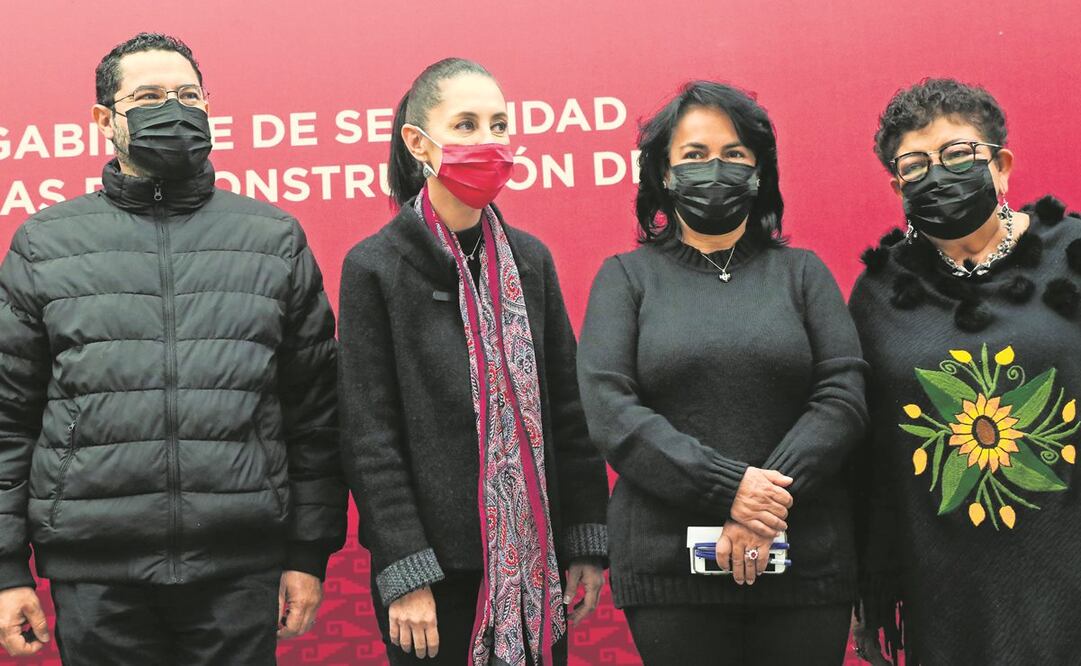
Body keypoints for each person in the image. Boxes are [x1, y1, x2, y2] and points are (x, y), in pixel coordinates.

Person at [0, 33, 346, 664]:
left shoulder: (273, 240)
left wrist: (306, 553)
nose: (174, 109)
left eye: (188, 95)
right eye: (151, 96)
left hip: (238, 569)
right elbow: (8, 421)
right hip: (97, 572)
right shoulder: (43, 245)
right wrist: (6, 570)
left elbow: (315, 415)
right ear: (105, 119)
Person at [576, 81, 868, 665]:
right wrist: (729, 488)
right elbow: (612, 411)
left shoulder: (803, 274)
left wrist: (764, 504)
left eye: (735, 155)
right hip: (668, 573)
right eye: (694, 155)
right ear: (663, 172)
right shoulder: (626, 279)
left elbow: (844, 396)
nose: (716, 169)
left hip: (806, 564)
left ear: (761, 173)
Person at [338, 58, 609, 665]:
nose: (487, 142)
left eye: (498, 124)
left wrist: (586, 540)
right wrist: (406, 572)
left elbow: (569, 408)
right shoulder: (374, 267)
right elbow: (368, 436)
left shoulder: (530, 260)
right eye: (465, 124)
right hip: (433, 578)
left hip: (535, 567)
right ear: (418, 142)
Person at [850, 78, 1081, 666]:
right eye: (916, 163)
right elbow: (868, 449)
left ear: (1000, 166)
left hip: (1068, 559)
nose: (938, 173)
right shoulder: (879, 291)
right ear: (896, 182)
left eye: (957, 154)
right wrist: (870, 584)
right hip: (946, 578)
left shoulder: (1073, 254)